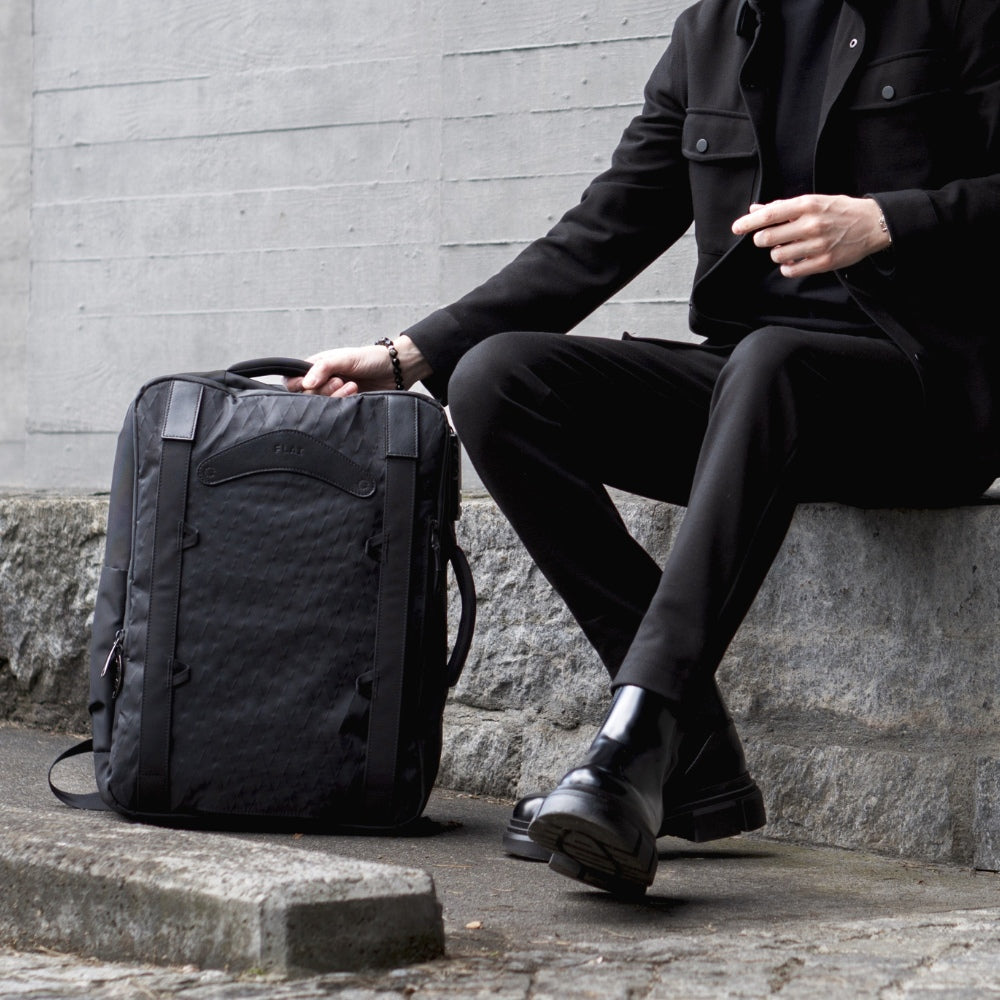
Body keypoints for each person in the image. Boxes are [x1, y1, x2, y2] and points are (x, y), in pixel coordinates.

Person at [288, 0, 1000, 896]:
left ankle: (634, 742)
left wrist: (889, 220)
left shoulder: (958, 12)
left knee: (770, 363)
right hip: (752, 394)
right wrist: (407, 355)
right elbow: (603, 229)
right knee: (497, 380)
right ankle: (684, 746)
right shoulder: (709, 34)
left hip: (921, 393)